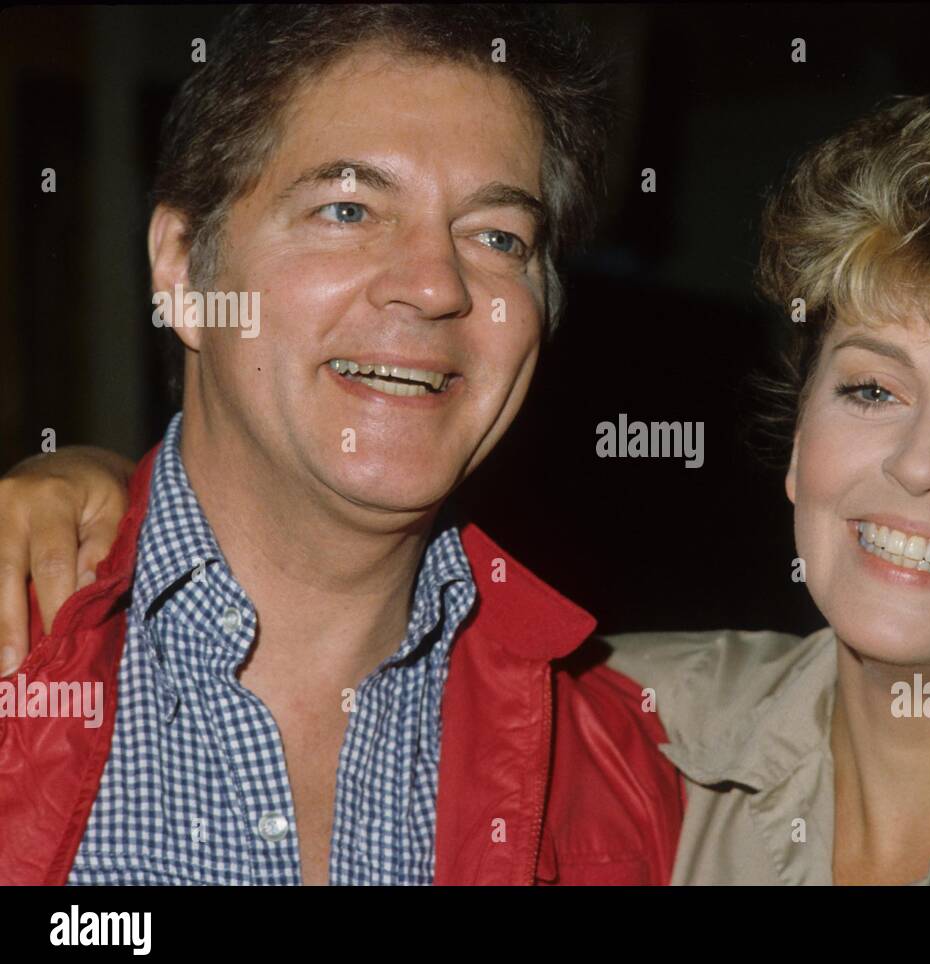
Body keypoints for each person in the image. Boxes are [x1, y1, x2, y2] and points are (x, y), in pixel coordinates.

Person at [8, 56, 930, 886]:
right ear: (799, 441)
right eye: (871, 388)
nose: (922, 464)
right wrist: (88, 479)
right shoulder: (639, 712)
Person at [0, 5, 682, 886]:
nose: (436, 285)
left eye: (497, 236)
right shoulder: (22, 652)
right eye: (349, 207)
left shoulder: (624, 766)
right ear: (180, 267)